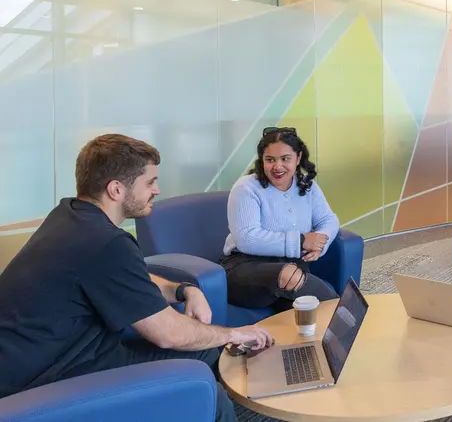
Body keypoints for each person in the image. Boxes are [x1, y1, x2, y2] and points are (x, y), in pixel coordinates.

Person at [0, 134, 273, 421]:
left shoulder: (70, 217)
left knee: (208, 354)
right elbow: (169, 334)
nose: (157, 190)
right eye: (149, 182)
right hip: (46, 381)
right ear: (116, 189)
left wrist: (184, 290)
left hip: (53, 358)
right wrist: (235, 333)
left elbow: (134, 279)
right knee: (206, 388)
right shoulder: (107, 242)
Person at [221, 126, 340, 313]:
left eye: (285, 159)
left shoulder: (307, 186)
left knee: (307, 314)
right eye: (270, 160)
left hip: (291, 268)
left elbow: (329, 220)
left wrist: (319, 242)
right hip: (245, 268)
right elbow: (246, 239)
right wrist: (302, 241)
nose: (277, 166)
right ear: (262, 159)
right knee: (291, 276)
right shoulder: (246, 188)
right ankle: (343, 317)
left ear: (298, 158)